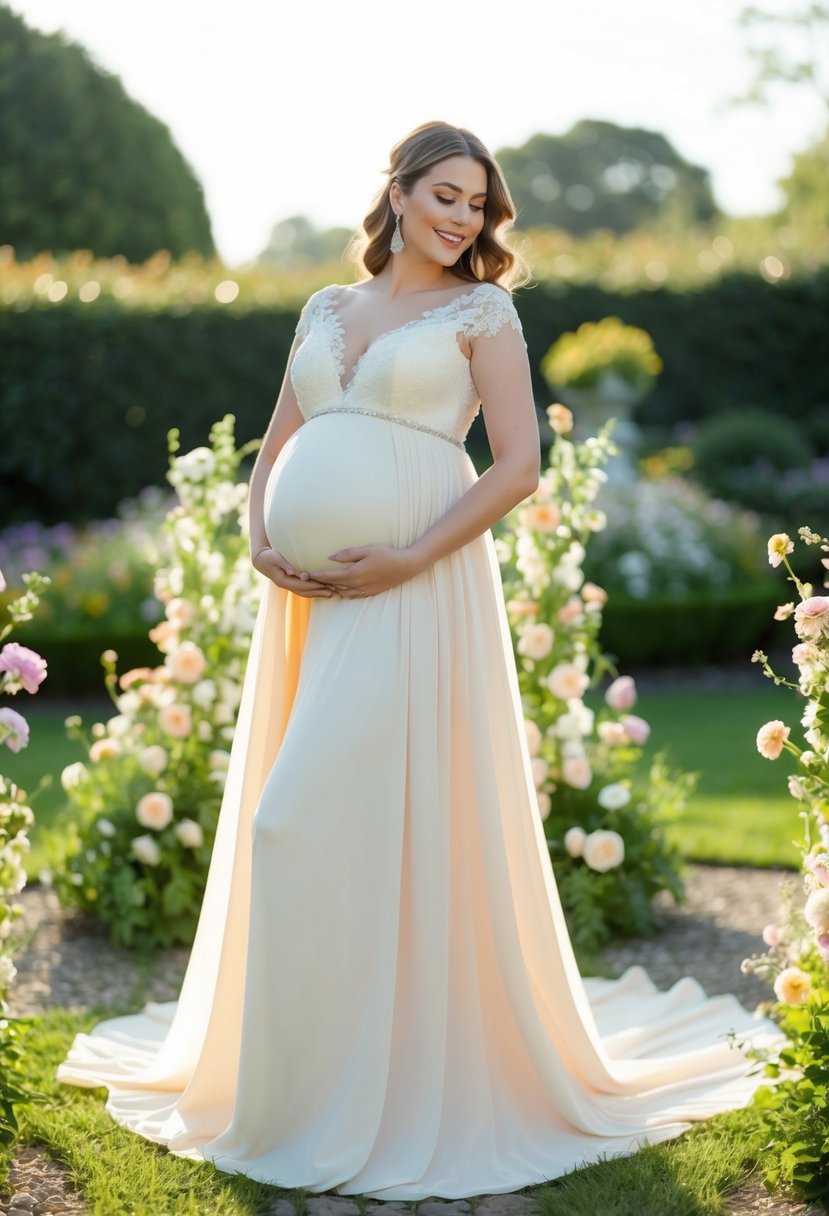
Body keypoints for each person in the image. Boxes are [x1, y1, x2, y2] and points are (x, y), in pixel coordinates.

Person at [56, 121, 779, 1201]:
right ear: (395, 193)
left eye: (477, 206)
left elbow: (521, 466)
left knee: (290, 819)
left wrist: (407, 555)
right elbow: (279, 434)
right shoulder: (325, 309)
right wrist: (258, 533)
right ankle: (305, 1079)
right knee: (327, 821)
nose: (460, 218)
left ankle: (360, 1087)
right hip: (308, 603)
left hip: (414, 590)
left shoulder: (483, 312)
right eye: (443, 194)